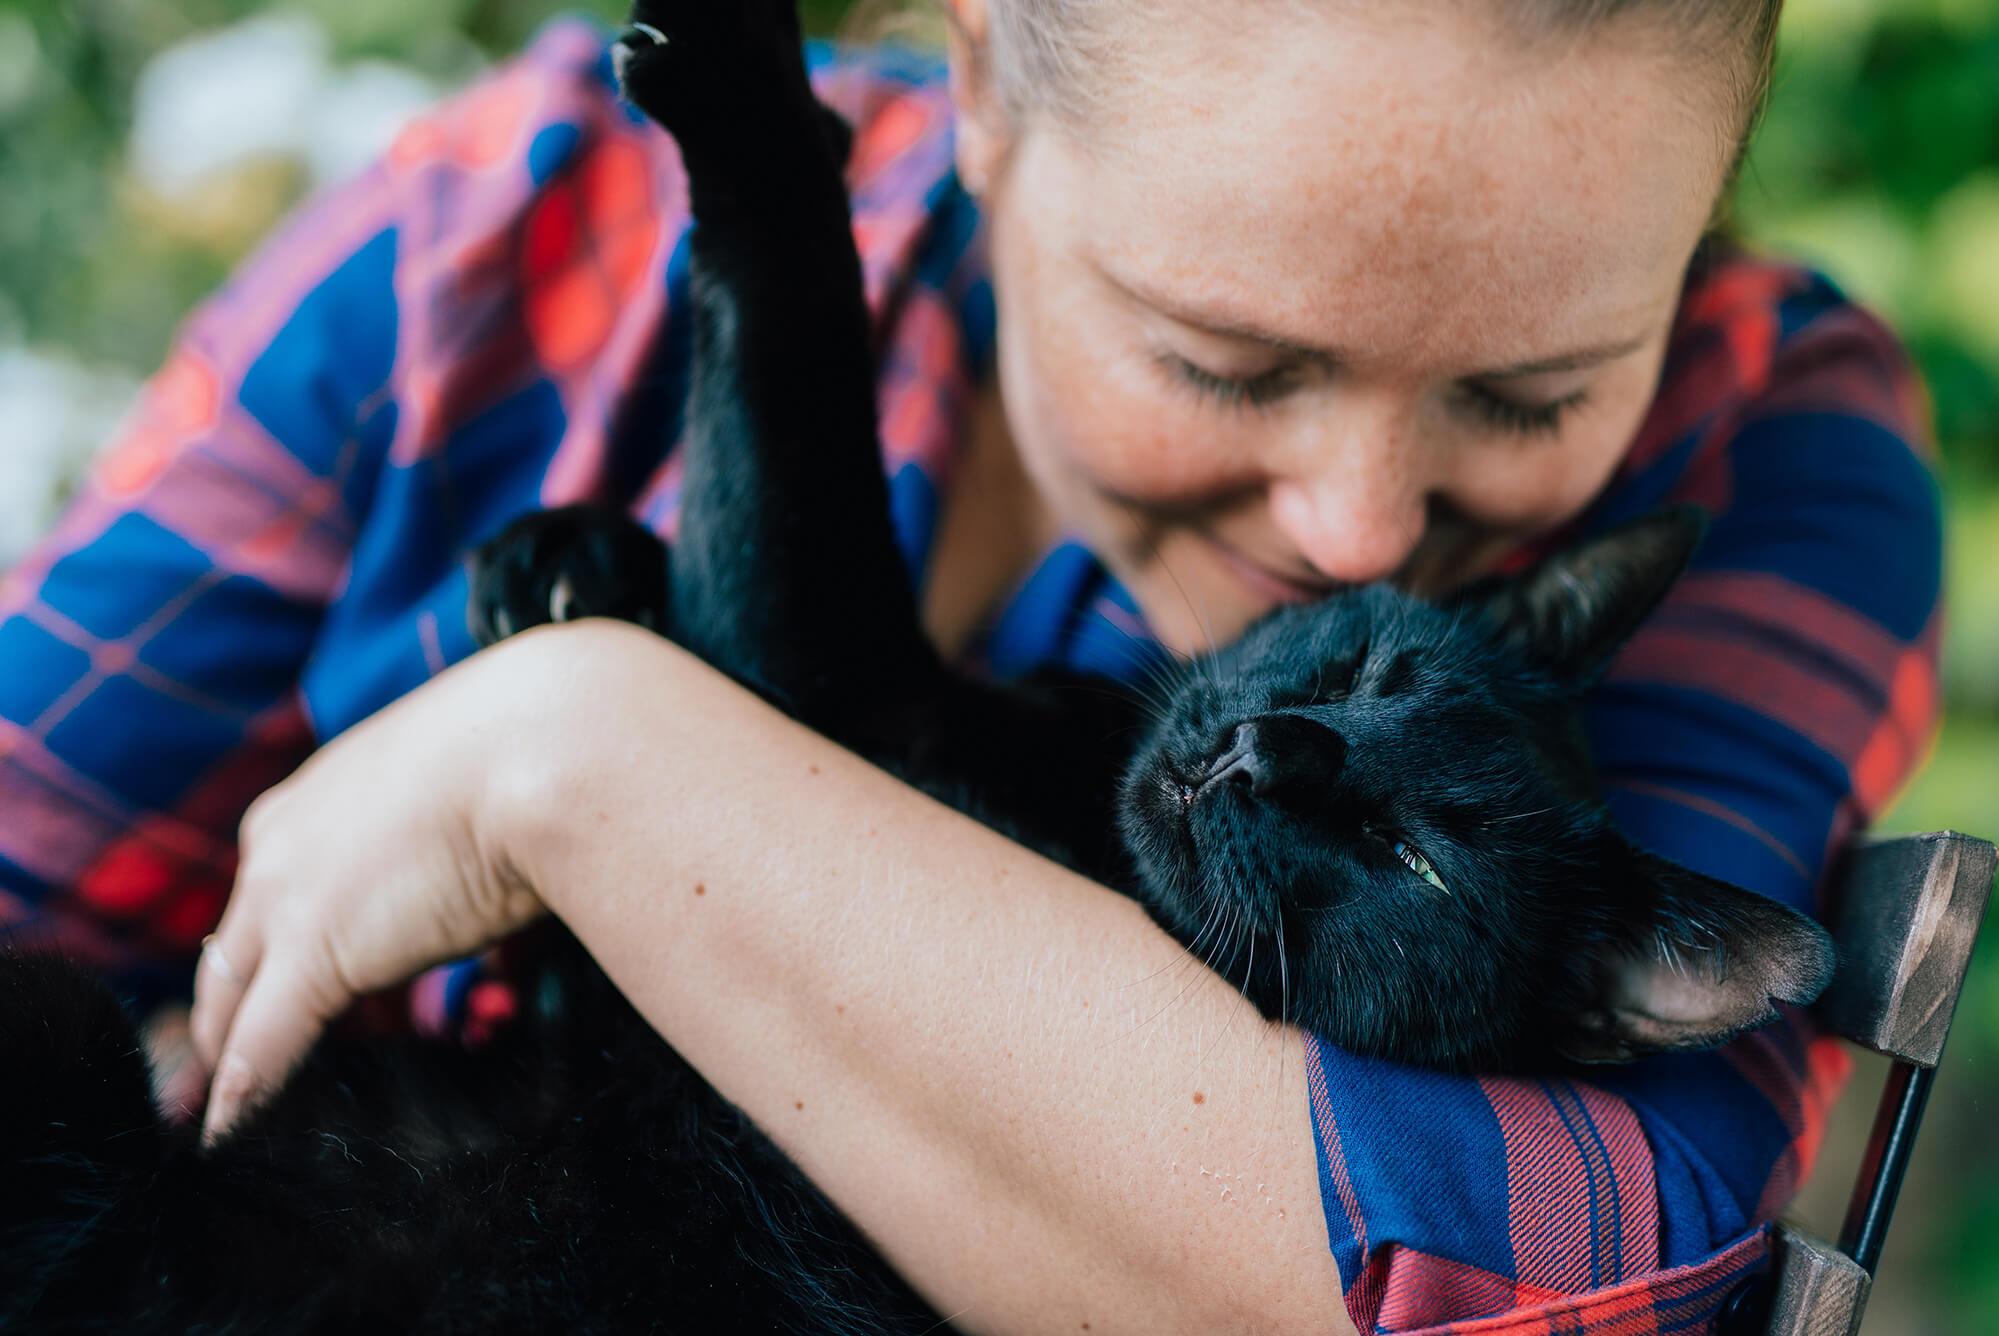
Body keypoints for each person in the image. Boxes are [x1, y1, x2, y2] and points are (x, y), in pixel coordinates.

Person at [0, 0, 1942, 1330]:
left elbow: (1572, 1265)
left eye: (1531, 391)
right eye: (1224, 360)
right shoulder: (508, 237)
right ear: (984, 96)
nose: (1356, 531)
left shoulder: (1754, 432)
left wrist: (577, 751)